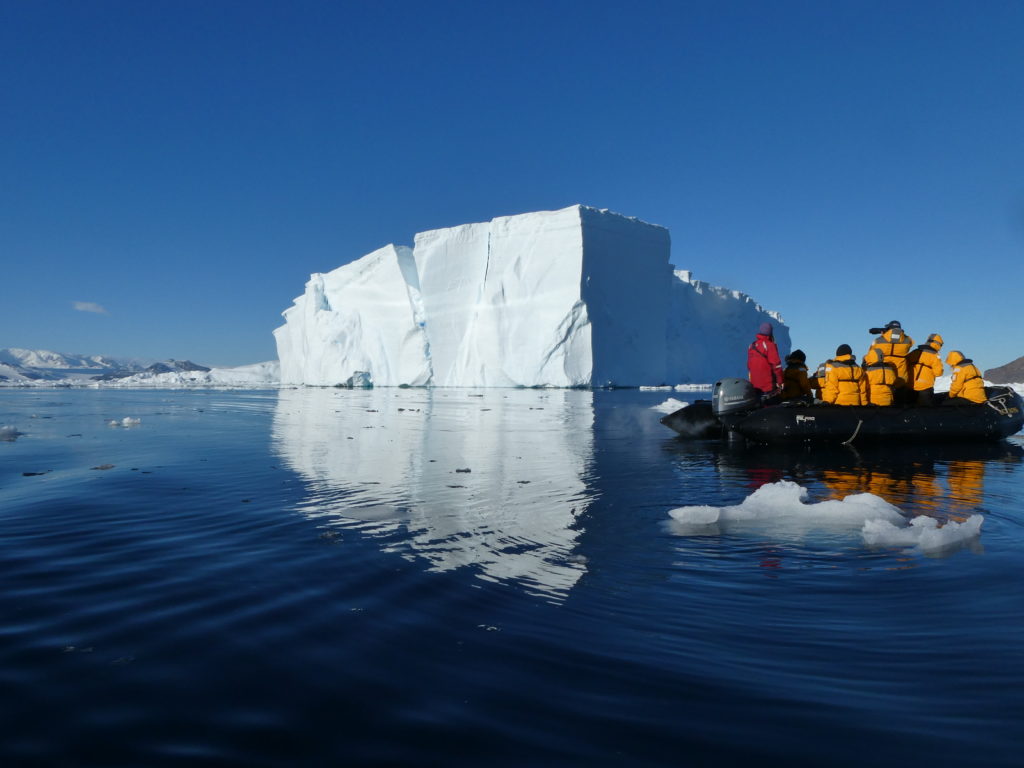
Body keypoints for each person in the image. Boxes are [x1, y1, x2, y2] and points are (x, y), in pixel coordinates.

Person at [867, 321, 914, 403]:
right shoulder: (907, 340)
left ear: (888, 328)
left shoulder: (879, 340)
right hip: (901, 374)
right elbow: (911, 343)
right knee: (900, 400)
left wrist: (884, 334)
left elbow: (872, 352)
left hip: (885, 372)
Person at [747, 321, 783, 397]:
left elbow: (749, 366)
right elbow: (776, 365)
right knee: (770, 406)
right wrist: (780, 382)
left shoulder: (752, 346)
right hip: (768, 386)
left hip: (755, 386)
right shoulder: (769, 345)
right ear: (770, 332)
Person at [906, 333, 944, 406]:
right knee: (925, 411)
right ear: (938, 344)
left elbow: (904, 364)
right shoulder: (934, 356)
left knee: (909, 410)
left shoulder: (915, 352)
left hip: (910, 385)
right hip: (925, 387)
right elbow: (938, 373)